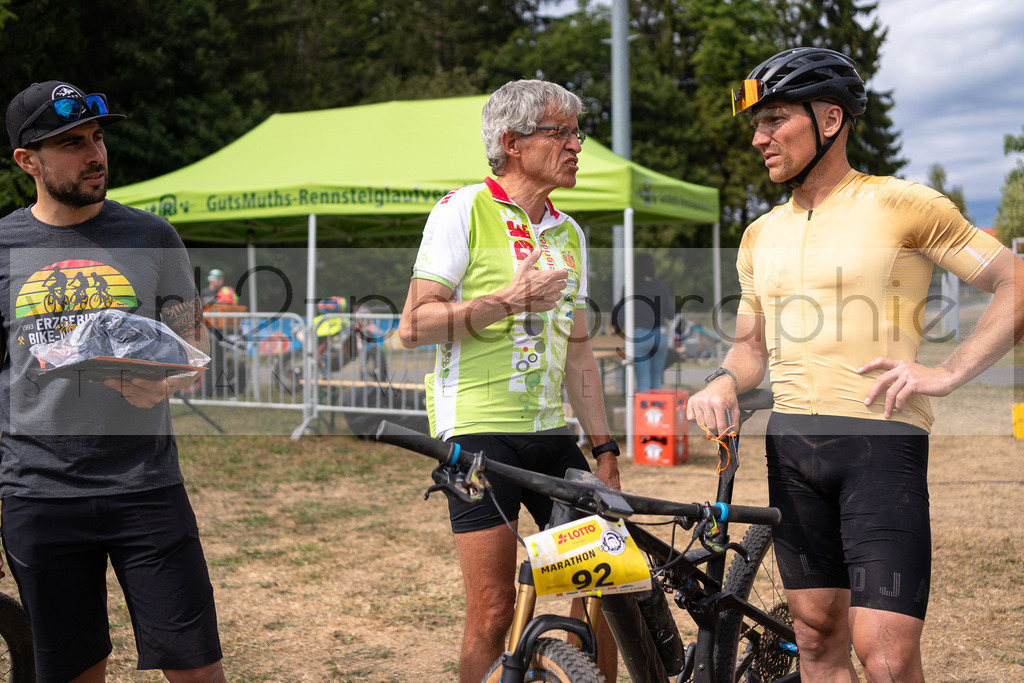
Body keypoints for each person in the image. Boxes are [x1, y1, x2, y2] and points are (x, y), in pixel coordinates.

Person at [686, 48, 1023, 682]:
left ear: (831, 119)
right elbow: (750, 349)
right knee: (815, 644)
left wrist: (947, 374)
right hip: (790, 447)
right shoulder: (760, 233)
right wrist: (723, 380)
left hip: (879, 444)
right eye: (756, 125)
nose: (759, 138)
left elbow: (1016, 282)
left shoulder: (903, 204)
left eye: (775, 119)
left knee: (887, 658)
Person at [1, 80, 227, 682]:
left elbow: (194, 348)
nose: (95, 154)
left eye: (98, 137)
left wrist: (168, 380)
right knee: (73, 670)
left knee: (197, 668)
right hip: (37, 491)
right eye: (72, 143)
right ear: (28, 161)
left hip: (146, 487)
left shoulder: (154, 238)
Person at [398, 79, 621, 682]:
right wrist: (508, 298)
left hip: (550, 434)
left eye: (578, 132)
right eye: (561, 133)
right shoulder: (462, 208)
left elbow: (578, 349)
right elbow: (413, 327)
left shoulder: (568, 232)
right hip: (476, 435)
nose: (577, 145)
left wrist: (604, 446)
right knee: (494, 610)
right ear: (512, 142)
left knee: (607, 590)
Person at [611, 253, 674, 392]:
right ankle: (658, 412)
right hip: (660, 334)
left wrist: (617, 327)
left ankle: (643, 413)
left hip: (640, 335)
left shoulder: (631, 286)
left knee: (643, 383)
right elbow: (671, 313)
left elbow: (621, 311)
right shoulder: (660, 286)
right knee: (657, 382)